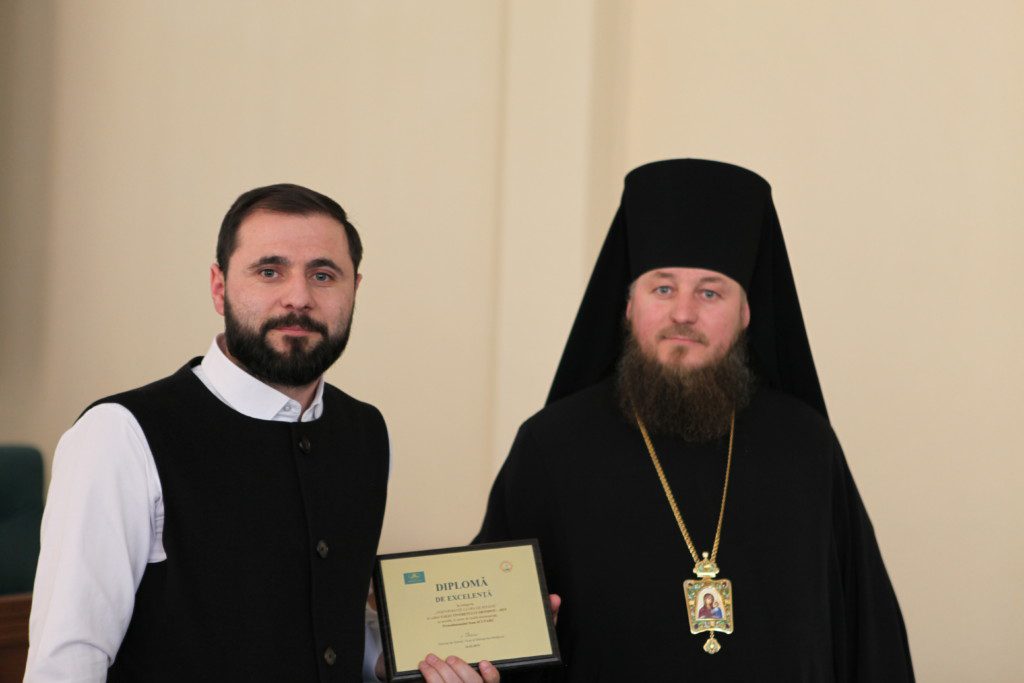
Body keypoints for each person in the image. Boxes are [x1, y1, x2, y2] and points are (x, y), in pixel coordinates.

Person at [25, 184, 495, 683]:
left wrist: (394, 662)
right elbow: (68, 660)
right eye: (269, 271)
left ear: (354, 290)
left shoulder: (366, 433)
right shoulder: (119, 434)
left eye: (323, 275)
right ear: (219, 287)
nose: (299, 298)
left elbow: (327, 620)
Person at [475, 160, 915, 681]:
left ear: (746, 313)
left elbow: (867, 636)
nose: (683, 313)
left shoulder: (804, 444)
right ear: (628, 305)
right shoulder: (552, 444)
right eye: (663, 289)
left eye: (710, 292)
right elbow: (488, 636)